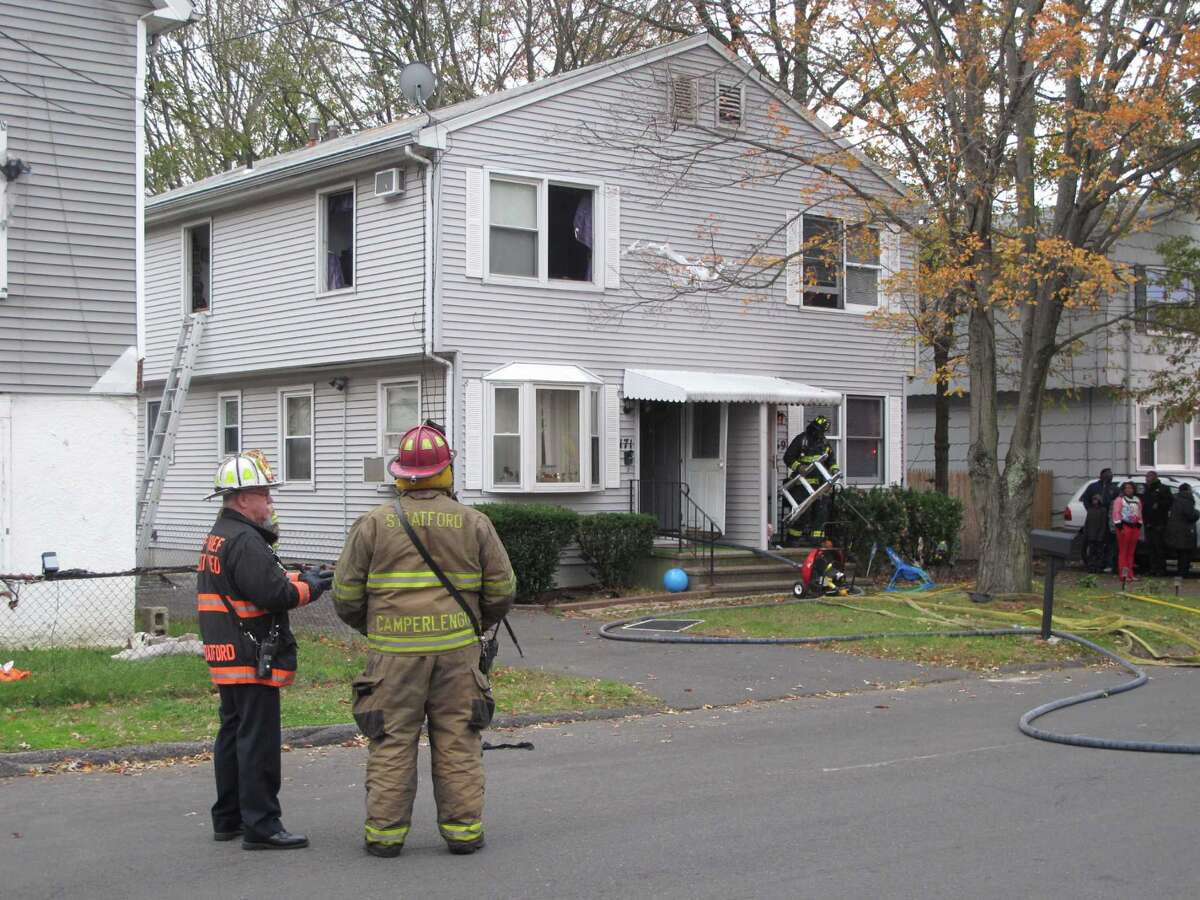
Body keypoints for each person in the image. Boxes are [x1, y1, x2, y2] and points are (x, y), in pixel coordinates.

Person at [333, 422, 516, 858]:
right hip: (457, 655)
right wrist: (473, 625)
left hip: (392, 657)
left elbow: (344, 595)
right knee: (458, 738)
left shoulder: (373, 523)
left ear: (401, 474)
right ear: (445, 471)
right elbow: (504, 590)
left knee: (392, 740)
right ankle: (463, 832)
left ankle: (385, 837)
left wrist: (376, 627)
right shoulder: (475, 523)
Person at [197, 450, 332, 850]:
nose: (270, 501)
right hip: (251, 656)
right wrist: (312, 587)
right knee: (257, 742)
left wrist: (297, 574)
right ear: (242, 498)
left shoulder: (223, 533)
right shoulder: (244, 539)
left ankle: (229, 818)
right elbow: (275, 593)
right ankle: (262, 825)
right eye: (264, 494)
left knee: (233, 733)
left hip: (228, 653)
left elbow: (255, 580)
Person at [781, 415, 840, 543]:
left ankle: (816, 541)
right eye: (815, 429)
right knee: (803, 513)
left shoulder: (825, 444)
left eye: (819, 430)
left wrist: (834, 471)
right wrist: (799, 467)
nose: (816, 432)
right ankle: (792, 540)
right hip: (801, 485)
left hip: (820, 487)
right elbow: (788, 457)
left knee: (821, 512)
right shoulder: (801, 440)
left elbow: (832, 461)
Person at [1081, 468, 1119, 571]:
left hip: (1109, 520)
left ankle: (1106, 564)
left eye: (1111, 475)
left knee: (1109, 543)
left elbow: (1117, 502)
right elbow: (1085, 499)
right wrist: (1092, 510)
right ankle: (1092, 564)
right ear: (1101, 475)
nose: (1109, 476)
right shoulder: (1093, 487)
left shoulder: (1114, 488)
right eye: (1107, 475)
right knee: (1093, 544)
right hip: (1096, 520)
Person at [1110, 480, 1143, 582]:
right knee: (1123, 552)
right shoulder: (1119, 500)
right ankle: (1123, 575)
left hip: (1134, 528)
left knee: (1131, 552)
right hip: (1124, 527)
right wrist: (1119, 527)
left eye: (1130, 488)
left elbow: (1140, 513)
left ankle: (1130, 573)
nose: (1128, 490)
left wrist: (1139, 524)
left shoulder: (1137, 500)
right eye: (1126, 488)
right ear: (1123, 489)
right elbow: (1116, 513)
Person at [1141, 471, 1172, 577]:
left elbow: (1169, 502)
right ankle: (1152, 568)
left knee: (1159, 548)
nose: (1146, 479)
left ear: (1154, 477)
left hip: (1159, 523)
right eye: (1146, 477)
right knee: (1151, 548)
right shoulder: (1146, 490)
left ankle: (1161, 569)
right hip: (1148, 523)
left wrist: (1159, 504)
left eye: (1148, 477)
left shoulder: (1163, 489)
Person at [1165, 483, 1198, 578]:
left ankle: (1181, 572)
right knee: (1185, 554)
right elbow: (1190, 515)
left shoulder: (1176, 499)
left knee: (1181, 554)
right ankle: (1183, 573)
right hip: (1185, 531)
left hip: (1177, 531)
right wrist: (1197, 513)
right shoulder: (1187, 500)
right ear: (1188, 490)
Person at [1082, 493, 1109, 574]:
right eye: (1093, 499)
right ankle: (1091, 567)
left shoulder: (1103, 510)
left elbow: (1103, 524)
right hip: (1090, 534)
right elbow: (1087, 522)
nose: (1094, 501)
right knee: (1091, 552)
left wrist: (1101, 535)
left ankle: (1098, 567)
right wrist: (1086, 533)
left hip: (1099, 535)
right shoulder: (1090, 510)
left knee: (1099, 552)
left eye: (1096, 499)